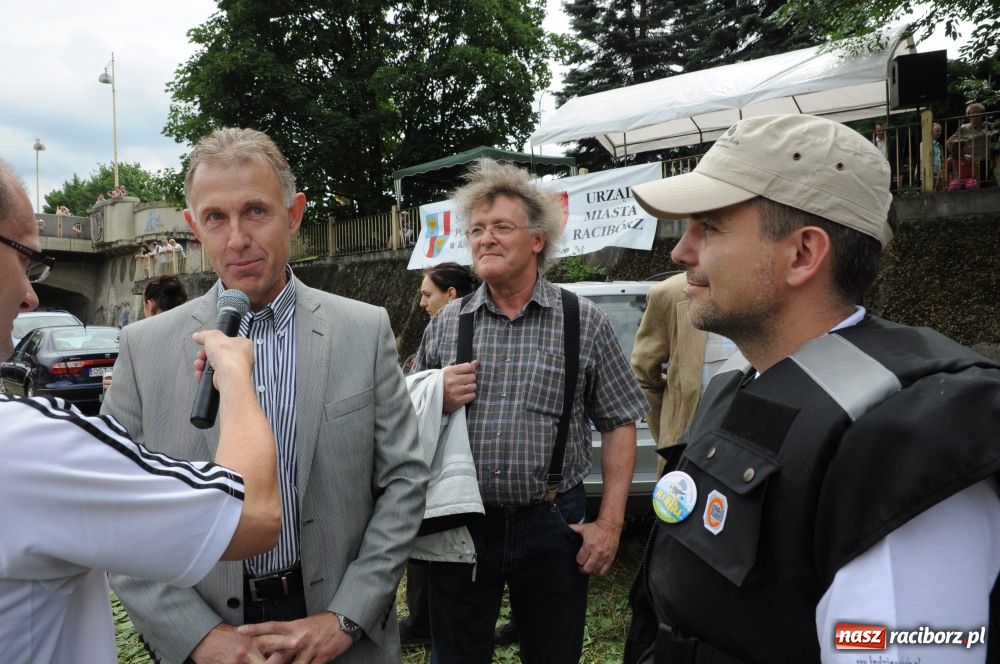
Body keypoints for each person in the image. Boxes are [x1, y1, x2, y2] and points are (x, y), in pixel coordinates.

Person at [624, 114, 1000, 663]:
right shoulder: (739, 379)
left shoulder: (909, 438)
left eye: (708, 226)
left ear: (802, 253)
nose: (681, 253)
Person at [102, 127, 427, 664]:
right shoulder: (145, 348)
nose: (236, 238)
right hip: (212, 631)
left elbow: (404, 481)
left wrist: (346, 616)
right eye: (216, 218)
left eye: (256, 211)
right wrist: (199, 636)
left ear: (294, 214)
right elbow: (118, 512)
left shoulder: (362, 330)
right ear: (193, 227)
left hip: (338, 634)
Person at [0, 159, 283, 662]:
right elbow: (254, 515)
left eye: (256, 211)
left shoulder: (361, 328)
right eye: (27, 263)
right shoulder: (23, 446)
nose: (30, 295)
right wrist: (237, 378)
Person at [413, 159, 647, 664]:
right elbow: (402, 416)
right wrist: (435, 393)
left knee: (553, 654)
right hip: (463, 522)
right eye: (476, 229)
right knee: (455, 656)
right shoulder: (448, 323)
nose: (485, 239)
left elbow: (620, 421)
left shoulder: (582, 320)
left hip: (552, 522)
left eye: (501, 227)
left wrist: (609, 524)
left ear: (537, 240)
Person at [400, 260, 479, 647]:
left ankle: (422, 624)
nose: (420, 303)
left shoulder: (455, 326)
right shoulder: (440, 329)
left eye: (426, 294)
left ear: (450, 295)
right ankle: (423, 622)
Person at [630, 272, 736, 469]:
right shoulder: (669, 294)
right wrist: (670, 434)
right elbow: (644, 378)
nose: (680, 254)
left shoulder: (782, 288)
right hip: (688, 460)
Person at [947, 102, 991, 190]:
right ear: (968, 115)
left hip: (985, 160)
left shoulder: (988, 126)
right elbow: (949, 142)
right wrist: (956, 156)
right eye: (973, 112)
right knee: (969, 185)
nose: (975, 115)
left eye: (978, 112)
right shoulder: (963, 128)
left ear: (982, 114)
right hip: (970, 162)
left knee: (984, 185)